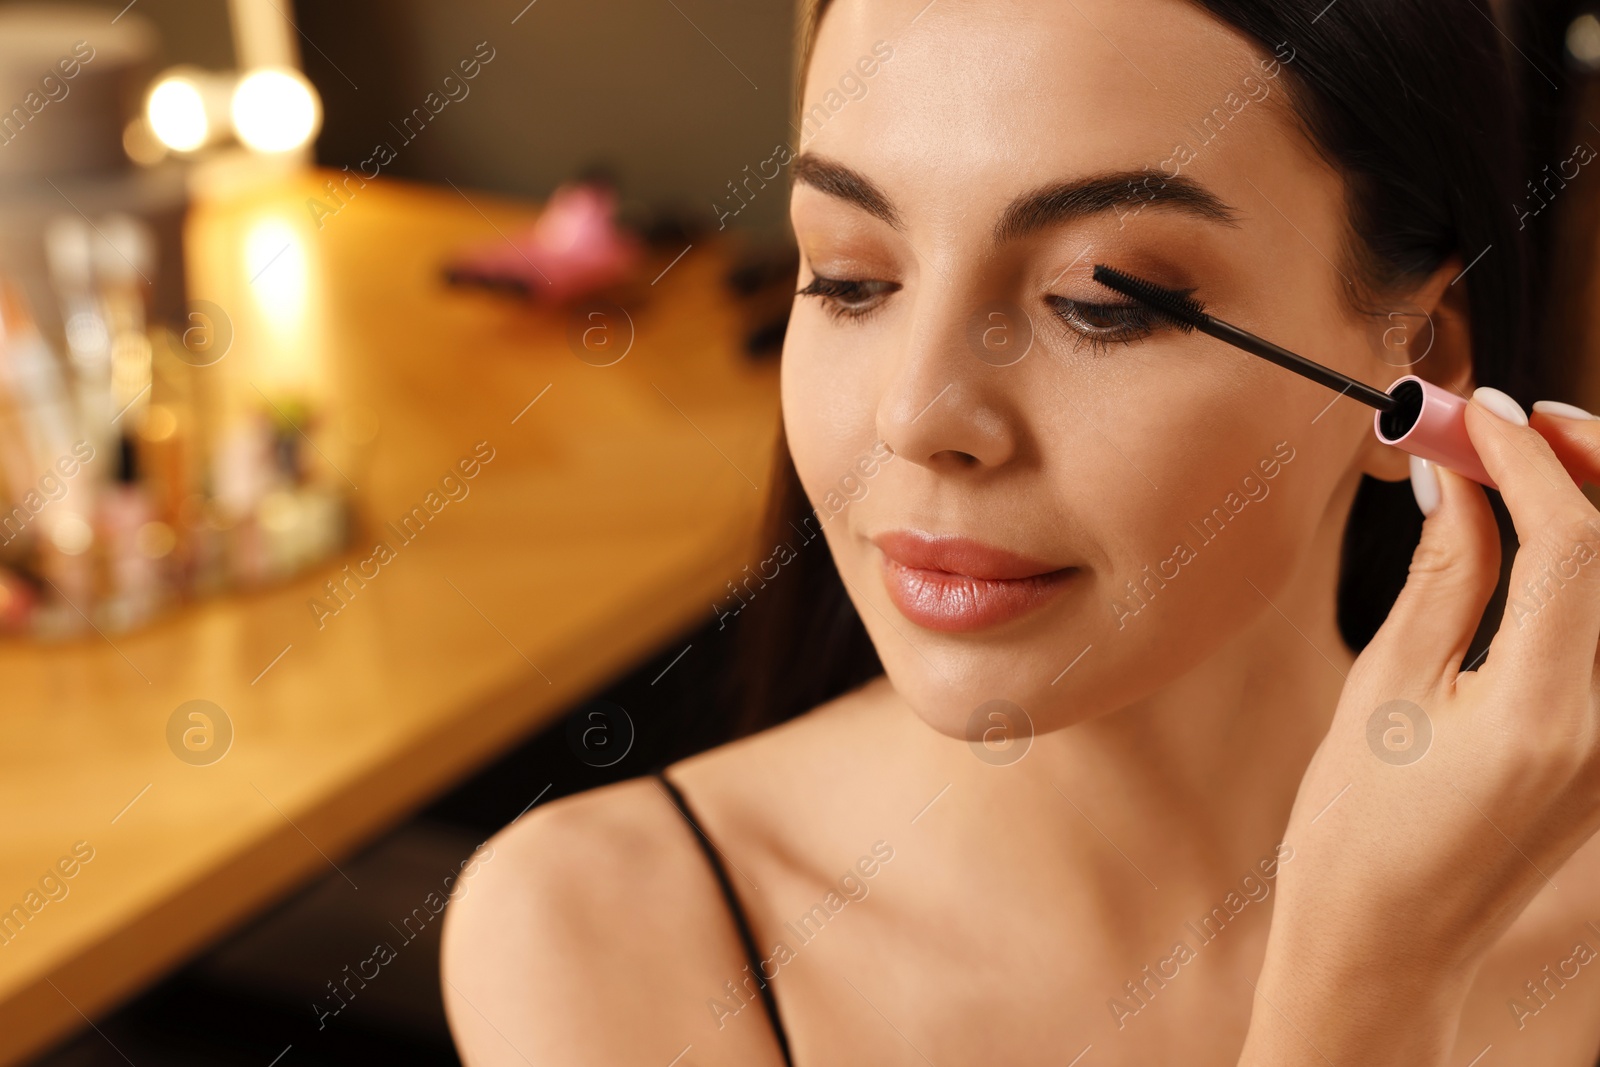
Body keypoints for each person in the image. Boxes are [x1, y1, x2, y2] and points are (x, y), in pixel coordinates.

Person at [441, 0, 1600, 1062]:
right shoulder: (600, 936)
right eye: (848, 277)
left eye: (1102, 301)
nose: (918, 414)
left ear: (1421, 364)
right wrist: (1366, 994)